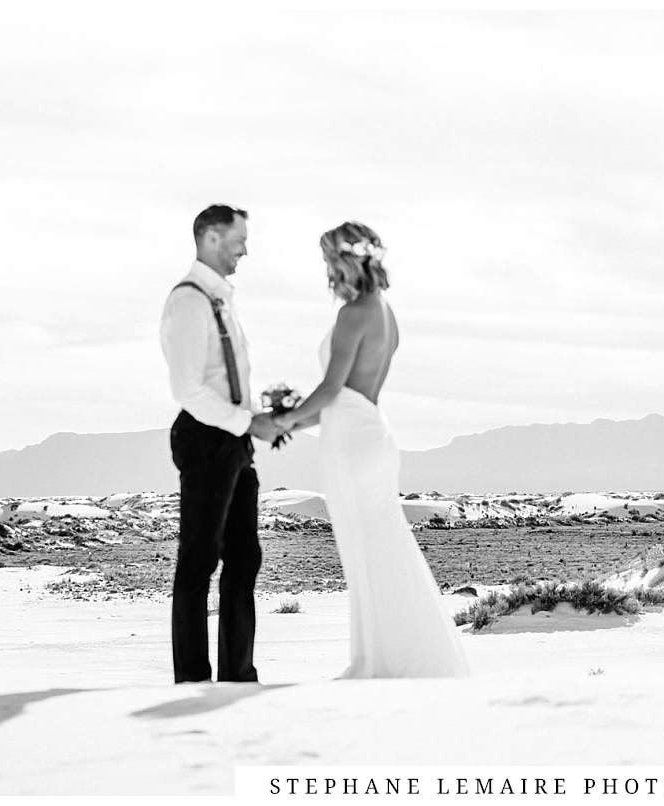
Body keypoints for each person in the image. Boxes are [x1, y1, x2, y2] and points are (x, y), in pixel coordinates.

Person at [272, 221, 470, 678]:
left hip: (351, 447)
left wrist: (281, 419)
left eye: (328, 262)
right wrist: (294, 420)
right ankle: (394, 657)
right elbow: (347, 398)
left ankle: (379, 662)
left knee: (365, 552)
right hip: (372, 436)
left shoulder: (353, 313)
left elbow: (330, 389)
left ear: (345, 261)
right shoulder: (386, 313)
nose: (327, 273)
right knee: (383, 548)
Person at [159, 204, 285, 683]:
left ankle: (238, 675)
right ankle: (192, 679)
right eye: (238, 240)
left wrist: (253, 419)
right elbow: (188, 389)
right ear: (211, 238)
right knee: (199, 559)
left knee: (245, 557)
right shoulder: (189, 300)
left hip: (233, 440)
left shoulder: (222, 299)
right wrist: (248, 422)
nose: (245, 249)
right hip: (206, 439)